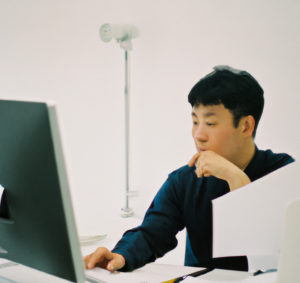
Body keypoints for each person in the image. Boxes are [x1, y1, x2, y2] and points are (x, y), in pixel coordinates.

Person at [84, 65, 295, 272]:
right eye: (195, 122)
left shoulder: (285, 174)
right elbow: (153, 232)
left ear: (246, 126)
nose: (198, 135)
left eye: (210, 124)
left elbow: (283, 248)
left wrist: (234, 177)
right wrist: (121, 255)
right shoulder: (184, 179)